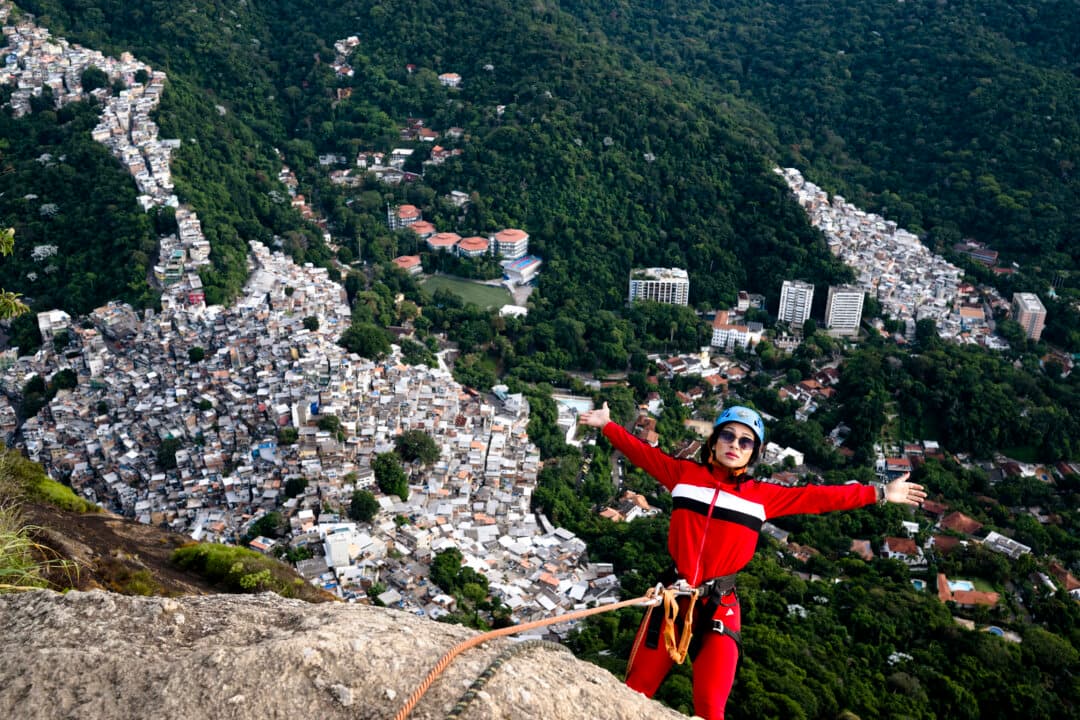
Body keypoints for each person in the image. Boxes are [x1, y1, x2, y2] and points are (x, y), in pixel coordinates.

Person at [577, 403, 926, 720]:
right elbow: (640, 453)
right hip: (673, 598)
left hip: (719, 606)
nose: (735, 444)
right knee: (634, 690)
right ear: (713, 442)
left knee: (711, 709)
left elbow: (818, 498)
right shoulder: (682, 474)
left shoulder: (762, 497)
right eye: (728, 435)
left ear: (753, 454)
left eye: (746, 442)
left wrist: (879, 493)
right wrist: (607, 424)